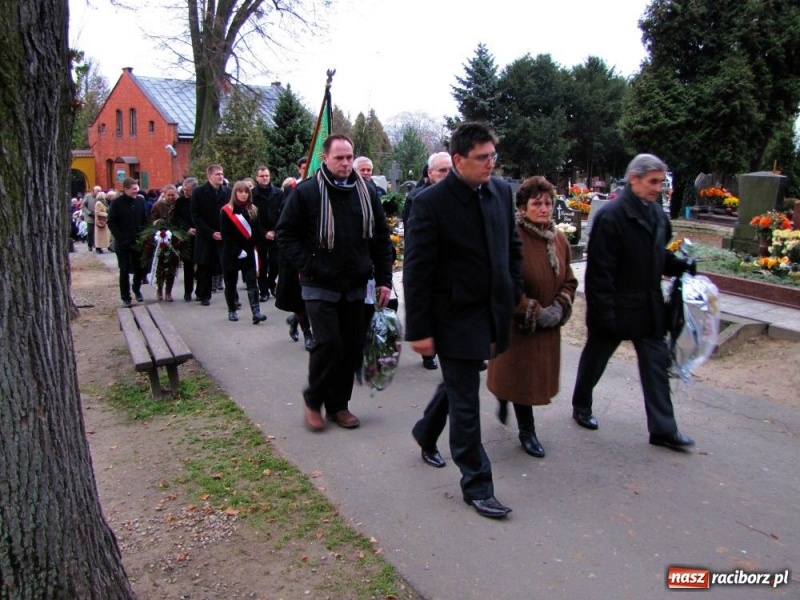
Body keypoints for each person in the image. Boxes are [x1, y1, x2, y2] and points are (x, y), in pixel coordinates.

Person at [403, 122, 523, 519]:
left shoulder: (502, 192)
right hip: (451, 316)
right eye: (482, 158)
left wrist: (514, 290)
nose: (491, 164)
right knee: (467, 402)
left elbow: (512, 246)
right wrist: (418, 330)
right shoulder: (430, 203)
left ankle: (425, 431)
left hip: (491, 311)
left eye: (494, 156)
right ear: (458, 160)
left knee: (459, 384)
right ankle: (477, 484)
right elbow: (417, 272)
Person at [570, 153, 696, 451]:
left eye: (661, 183)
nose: (658, 188)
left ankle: (663, 429)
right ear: (634, 179)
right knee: (595, 360)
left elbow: (657, 256)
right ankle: (581, 404)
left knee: (655, 366)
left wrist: (679, 265)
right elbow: (600, 272)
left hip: (649, 307)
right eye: (653, 182)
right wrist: (602, 313)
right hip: (614, 306)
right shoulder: (611, 216)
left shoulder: (657, 215)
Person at [276, 134, 394, 432]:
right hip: (319, 284)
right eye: (338, 157)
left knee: (351, 348)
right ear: (324, 159)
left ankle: (339, 406)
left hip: (356, 284)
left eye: (349, 157)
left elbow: (381, 239)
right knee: (328, 344)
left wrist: (384, 280)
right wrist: (311, 264)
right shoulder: (306, 193)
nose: (345, 163)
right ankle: (314, 401)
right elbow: (285, 234)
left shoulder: (366, 191)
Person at [486, 176, 577, 458]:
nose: (544, 208)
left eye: (548, 203)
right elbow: (504, 284)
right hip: (518, 327)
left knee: (533, 378)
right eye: (537, 204)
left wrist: (560, 307)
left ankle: (504, 394)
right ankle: (527, 430)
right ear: (523, 207)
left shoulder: (558, 238)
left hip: (548, 326)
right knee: (521, 378)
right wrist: (532, 312)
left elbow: (570, 280)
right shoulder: (512, 237)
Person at [402, 151, 453, 371]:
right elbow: (411, 229)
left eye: (451, 170)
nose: (447, 175)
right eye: (442, 171)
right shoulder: (417, 198)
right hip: (429, 262)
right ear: (430, 173)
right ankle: (429, 354)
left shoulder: (460, 195)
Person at [220, 181, 268, 324]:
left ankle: (256, 312)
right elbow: (226, 235)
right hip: (231, 253)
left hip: (249, 252)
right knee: (230, 284)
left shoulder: (253, 209)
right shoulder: (226, 211)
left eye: (246, 192)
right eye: (240, 192)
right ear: (235, 193)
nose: (243, 194)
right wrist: (236, 250)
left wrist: (260, 247)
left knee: (252, 282)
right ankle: (232, 310)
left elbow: (257, 232)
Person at [191, 164, 230, 306]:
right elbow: (196, 216)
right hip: (206, 235)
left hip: (223, 235)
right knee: (204, 266)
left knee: (227, 266)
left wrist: (224, 232)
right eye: (217, 174)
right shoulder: (199, 192)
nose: (221, 177)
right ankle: (203, 295)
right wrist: (210, 232)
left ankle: (232, 298)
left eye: (222, 174)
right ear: (209, 176)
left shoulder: (227, 192)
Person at [107, 178, 147, 308]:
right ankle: (126, 297)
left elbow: (144, 219)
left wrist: (145, 235)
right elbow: (111, 222)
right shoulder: (117, 203)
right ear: (126, 189)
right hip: (123, 242)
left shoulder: (140, 201)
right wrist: (120, 237)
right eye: (133, 189)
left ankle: (137, 289)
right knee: (124, 270)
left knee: (139, 269)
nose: (136, 191)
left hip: (138, 242)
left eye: (137, 188)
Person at [252, 165, 284, 301]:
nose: (265, 178)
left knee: (276, 262)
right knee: (262, 265)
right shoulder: (252, 194)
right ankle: (263, 291)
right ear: (257, 178)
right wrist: (264, 232)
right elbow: (252, 217)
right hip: (260, 235)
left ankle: (272, 283)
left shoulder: (278, 193)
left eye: (267, 175)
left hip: (275, 234)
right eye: (262, 176)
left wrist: (275, 231)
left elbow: (283, 213)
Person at [174, 177, 198, 301]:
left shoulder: (200, 199)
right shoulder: (180, 202)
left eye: (187, 190)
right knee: (188, 266)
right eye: (183, 189)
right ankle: (188, 291)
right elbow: (176, 218)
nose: (185, 192)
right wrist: (187, 228)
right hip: (186, 237)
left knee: (202, 265)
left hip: (200, 236)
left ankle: (201, 292)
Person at [81, 185, 102, 251]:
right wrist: (89, 213)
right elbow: (83, 206)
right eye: (97, 191)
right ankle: (90, 245)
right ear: (93, 191)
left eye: (100, 191)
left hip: (98, 216)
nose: (98, 192)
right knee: (90, 231)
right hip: (90, 216)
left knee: (98, 232)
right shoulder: (88, 196)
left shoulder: (100, 197)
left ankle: (98, 247)